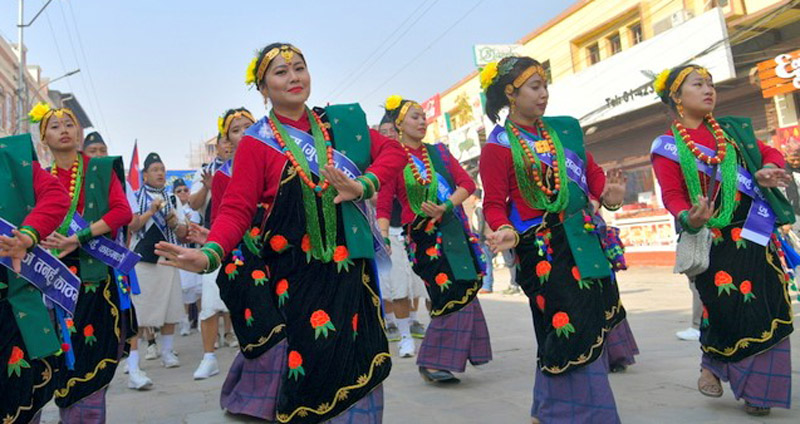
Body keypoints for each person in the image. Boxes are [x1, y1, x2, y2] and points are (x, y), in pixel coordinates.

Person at [154, 42, 406, 423]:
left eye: (299, 67)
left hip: (351, 271)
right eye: (281, 72)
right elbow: (236, 208)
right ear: (263, 88)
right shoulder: (256, 143)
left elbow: (394, 154)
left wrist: (363, 185)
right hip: (296, 276)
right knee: (314, 363)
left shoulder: (341, 124)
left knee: (361, 356)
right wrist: (209, 254)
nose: (294, 77)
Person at [479, 56, 627, 423]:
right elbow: (494, 204)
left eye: (545, 85)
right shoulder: (497, 146)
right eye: (534, 87)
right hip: (540, 249)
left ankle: (548, 409)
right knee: (566, 325)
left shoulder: (564, 130)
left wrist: (610, 196)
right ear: (511, 95)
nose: (543, 94)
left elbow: (594, 178)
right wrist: (505, 229)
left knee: (583, 323)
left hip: (583, 237)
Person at [650, 64, 794, 416]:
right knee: (727, 309)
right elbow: (672, 195)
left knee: (770, 303)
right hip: (712, 241)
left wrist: (766, 169)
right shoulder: (667, 146)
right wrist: (688, 216)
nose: (708, 90)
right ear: (677, 98)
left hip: (755, 235)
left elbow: (769, 153)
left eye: (711, 84)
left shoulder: (730, 132)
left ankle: (761, 391)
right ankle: (713, 364)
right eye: (698, 84)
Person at [29, 103, 137, 423]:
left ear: (79, 133)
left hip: (93, 271)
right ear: (43, 138)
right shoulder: (37, 177)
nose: (64, 130)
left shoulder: (100, 169)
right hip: (48, 273)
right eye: (55, 126)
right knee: (53, 358)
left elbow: (122, 212)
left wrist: (79, 237)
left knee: (92, 352)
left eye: (70, 124)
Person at [378, 95, 492, 384]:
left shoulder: (439, 153)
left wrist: (446, 206)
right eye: (414, 116)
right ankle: (433, 359)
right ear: (399, 124)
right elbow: (382, 203)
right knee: (447, 292)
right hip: (421, 238)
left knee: (464, 286)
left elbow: (467, 184)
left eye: (423, 116)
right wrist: (382, 236)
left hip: (452, 229)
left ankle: (444, 358)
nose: (422, 121)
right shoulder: (392, 157)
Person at [0, 133, 71, 424]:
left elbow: (55, 198)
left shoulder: (11, 157)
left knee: (20, 400)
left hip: (11, 301)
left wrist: (28, 235)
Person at [128, 152, 188, 389]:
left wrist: (174, 221)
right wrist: (151, 211)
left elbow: (183, 233)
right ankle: (134, 361)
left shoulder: (173, 199)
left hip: (167, 258)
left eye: (162, 169)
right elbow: (131, 225)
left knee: (170, 307)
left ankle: (167, 351)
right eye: (155, 170)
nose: (160, 173)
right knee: (139, 311)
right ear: (145, 175)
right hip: (142, 259)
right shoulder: (135, 198)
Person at [376, 116, 427, 341]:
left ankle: (414, 319)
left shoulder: (412, 159)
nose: (388, 134)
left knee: (414, 280)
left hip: (410, 227)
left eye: (391, 130)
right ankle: (392, 323)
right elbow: (376, 199)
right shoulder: (376, 160)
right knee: (390, 280)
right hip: (386, 226)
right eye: (383, 131)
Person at [173, 178, 203, 336]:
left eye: (185, 190)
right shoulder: (173, 209)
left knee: (199, 289)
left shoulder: (195, 209)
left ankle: (199, 319)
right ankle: (184, 321)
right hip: (181, 251)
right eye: (179, 191)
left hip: (195, 249)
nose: (183, 193)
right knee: (184, 289)